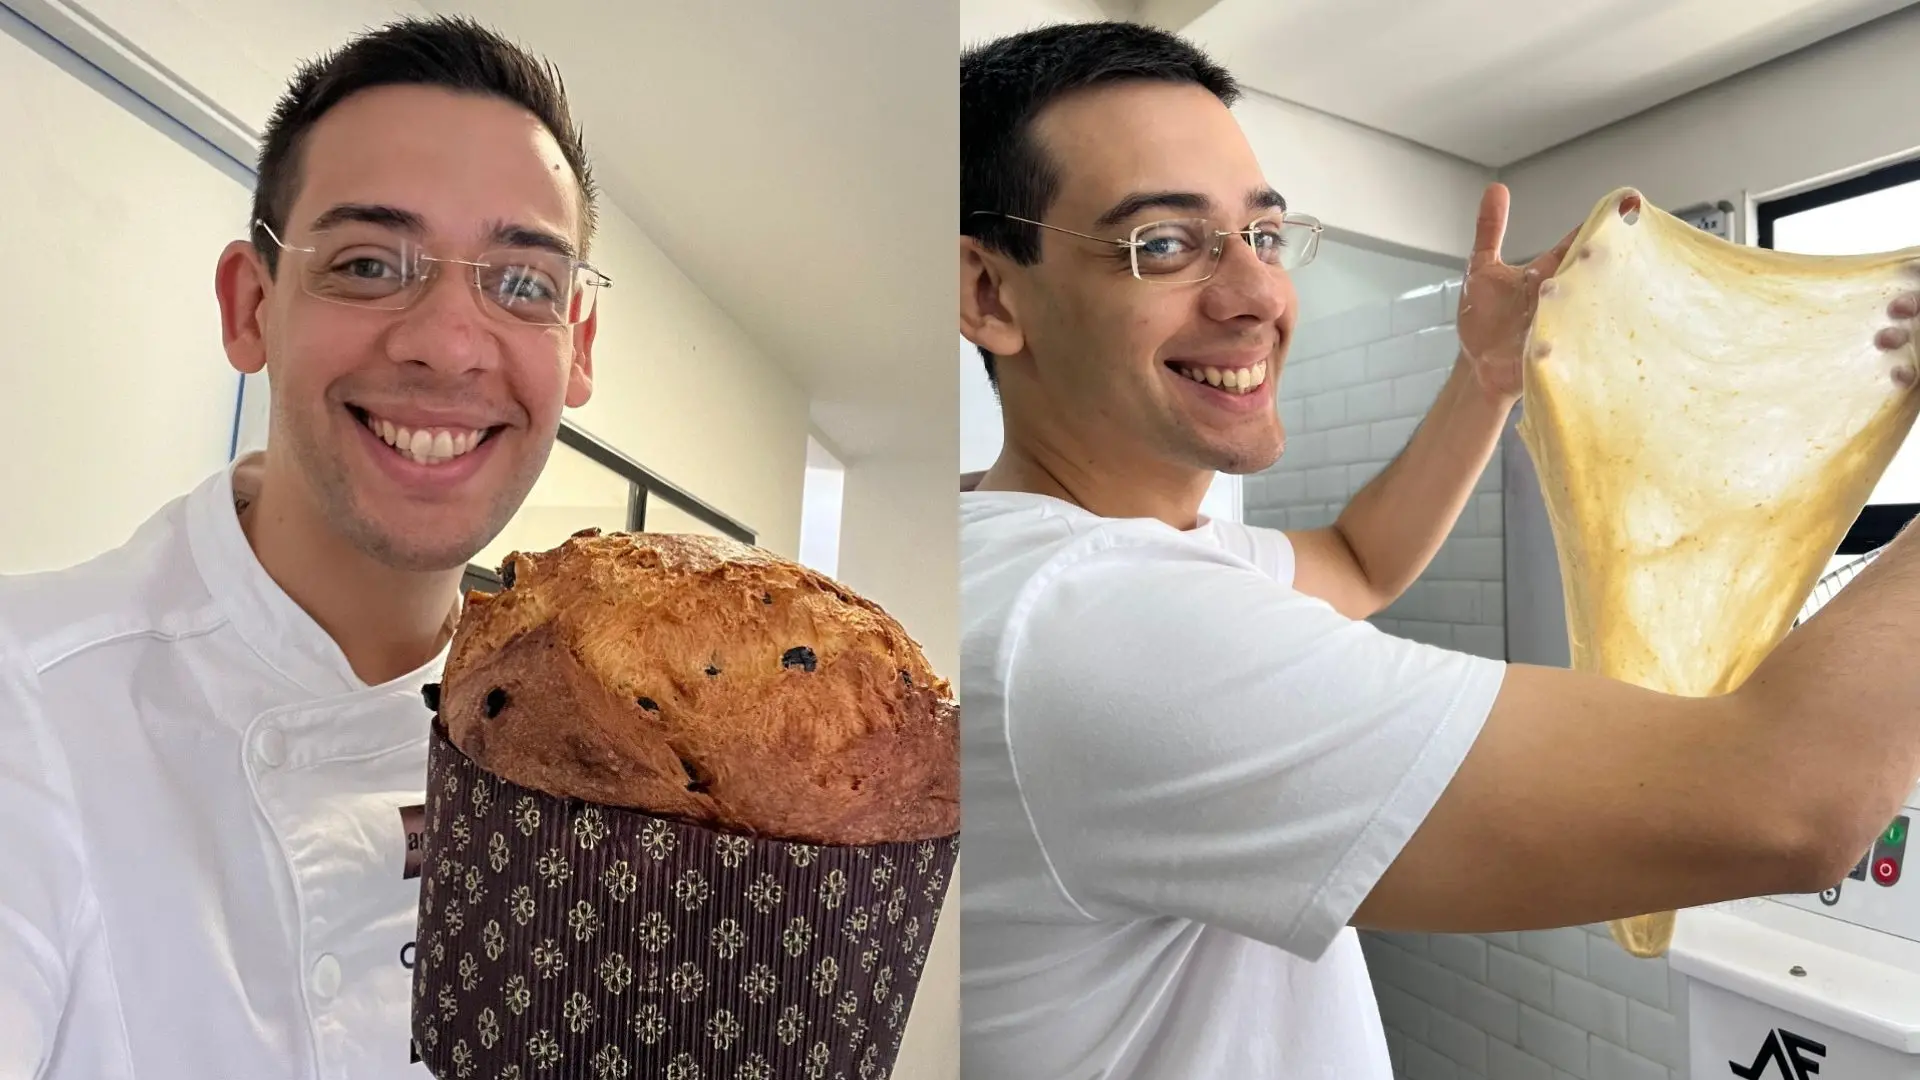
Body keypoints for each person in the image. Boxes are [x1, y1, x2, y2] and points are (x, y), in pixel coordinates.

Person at [957, 20, 1920, 1080]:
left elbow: (1361, 563)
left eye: (1264, 237)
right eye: (1166, 245)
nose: (1256, 298)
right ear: (990, 293)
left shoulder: (1078, 558)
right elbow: (1789, 800)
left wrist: (1485, 375)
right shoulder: (1103, 625)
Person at [0, 17, 607, 1077]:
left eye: (522, 284)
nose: (450, 342)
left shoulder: (587, 747)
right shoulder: (31, 702)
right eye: (370, 263)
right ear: (251, 308)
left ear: (578, 348)